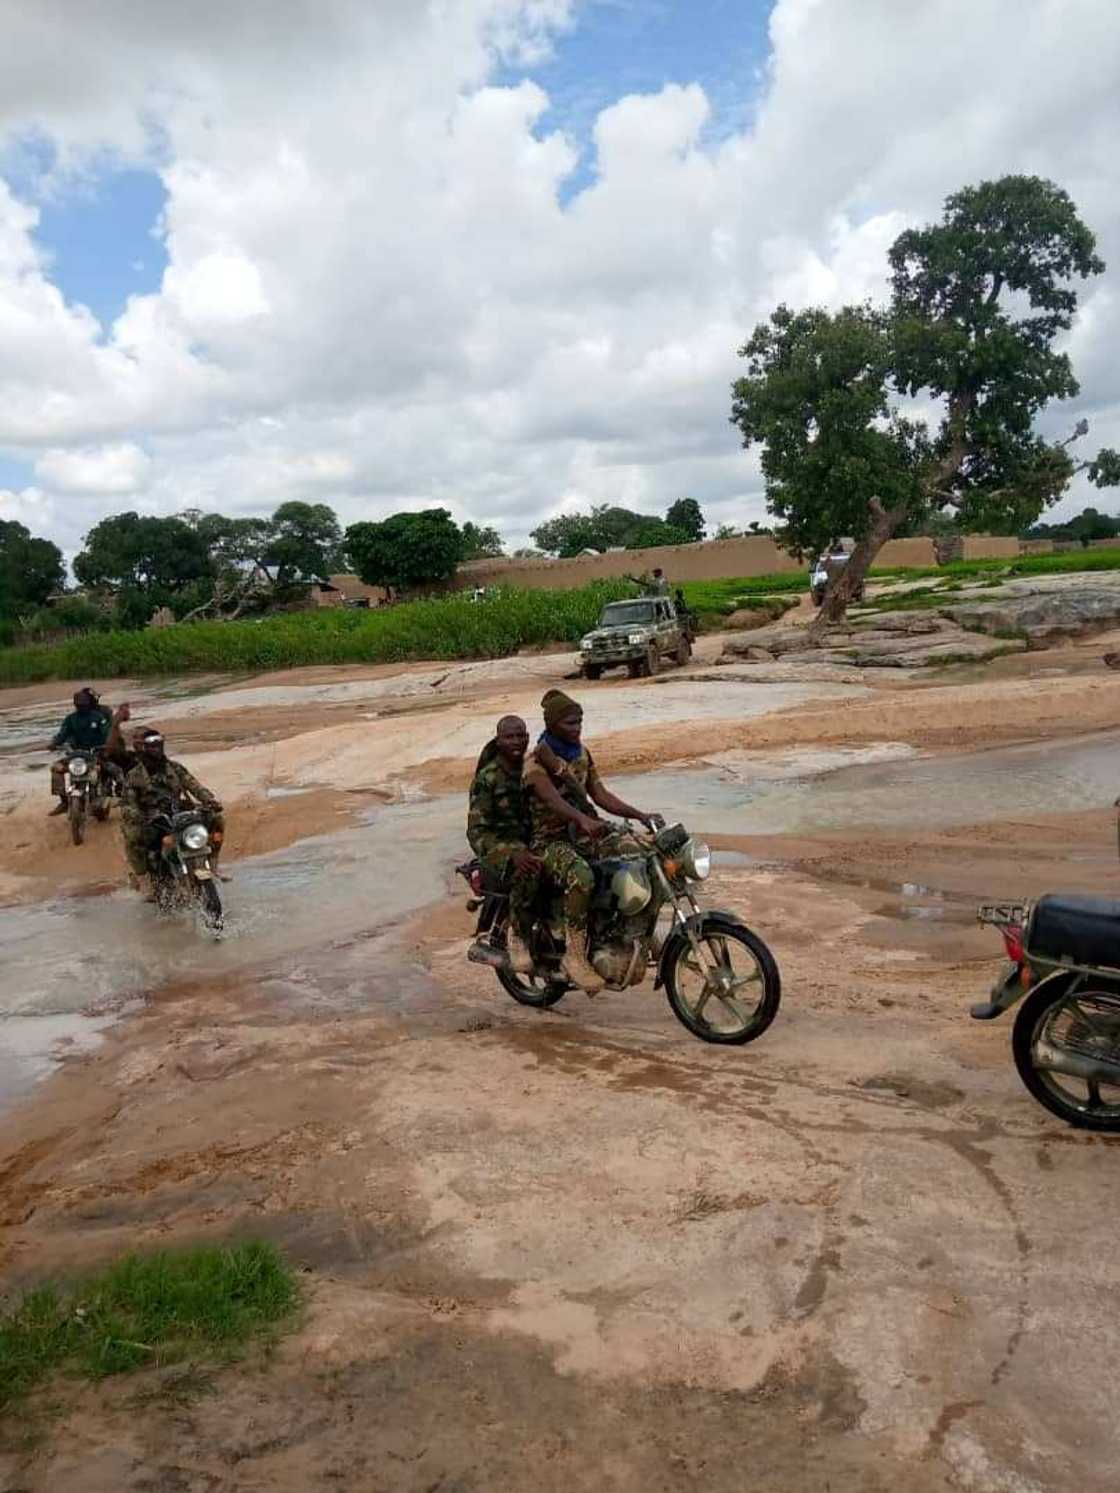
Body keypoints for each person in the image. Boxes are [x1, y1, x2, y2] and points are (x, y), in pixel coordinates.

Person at [522, 689, 654, 992]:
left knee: (635, 853)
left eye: (579, 721)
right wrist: (582, 819)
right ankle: (574, 955)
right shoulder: (535, 763)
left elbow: (600, 794)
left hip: (582, 834)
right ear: (553, 724)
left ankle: (631, 930)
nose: (577, 727)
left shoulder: (580, 753)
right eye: (570, 723)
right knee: (581, 876)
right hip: (546, 841)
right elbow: (554, 801)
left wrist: (639, 814)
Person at [466, 715, 542, 974]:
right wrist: (511, 854)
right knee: (529, 872)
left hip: (532, 842)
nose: (516, 741)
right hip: (499, 849)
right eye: (509, 736)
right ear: (498, 740)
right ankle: (518, 937)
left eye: (521, 735)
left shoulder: (532, 769)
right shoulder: (488, 779)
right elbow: (476, 832)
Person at [120, 727, 224, 894]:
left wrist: (209, 800)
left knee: (217, 820)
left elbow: (194, 785)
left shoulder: (175, 768)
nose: (156, 750)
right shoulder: (134, 775)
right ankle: (144, 879)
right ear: (145, 749)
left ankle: (213, 864)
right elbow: (127, 803)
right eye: (152, 747)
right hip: (152, 818)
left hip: (178, 812)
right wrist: (137, 815)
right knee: (133, 837)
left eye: (159, 746)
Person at [47, 688, 129, 815]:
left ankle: (121, 796)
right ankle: (64, 801)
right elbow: (62, 735)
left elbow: (107, 733)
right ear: (75, 705)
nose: (82, 707)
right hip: (76, 755)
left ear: (89, 704)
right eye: (79, 705)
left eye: (84, 705)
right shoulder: (70, 719)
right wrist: (54, 744)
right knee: (56, 768)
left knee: (115, 770)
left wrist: (107, 745)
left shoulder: (99, 717)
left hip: (96, 754)